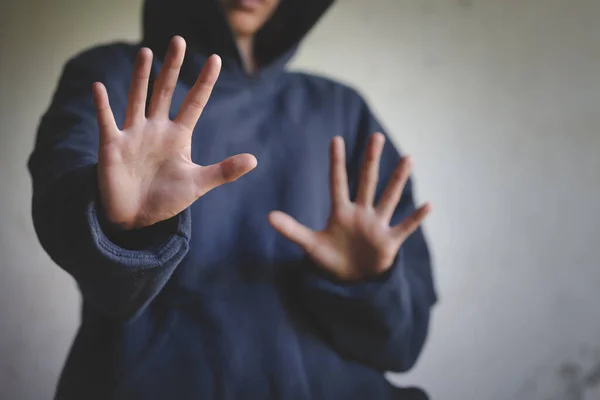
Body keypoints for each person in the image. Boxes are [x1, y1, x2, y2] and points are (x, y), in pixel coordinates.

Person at [28, 0, 437, 398]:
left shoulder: (339, 108)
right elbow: (59, 194)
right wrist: (117, 226)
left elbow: (402, 347)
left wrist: (368, 285)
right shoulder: (117, 75)